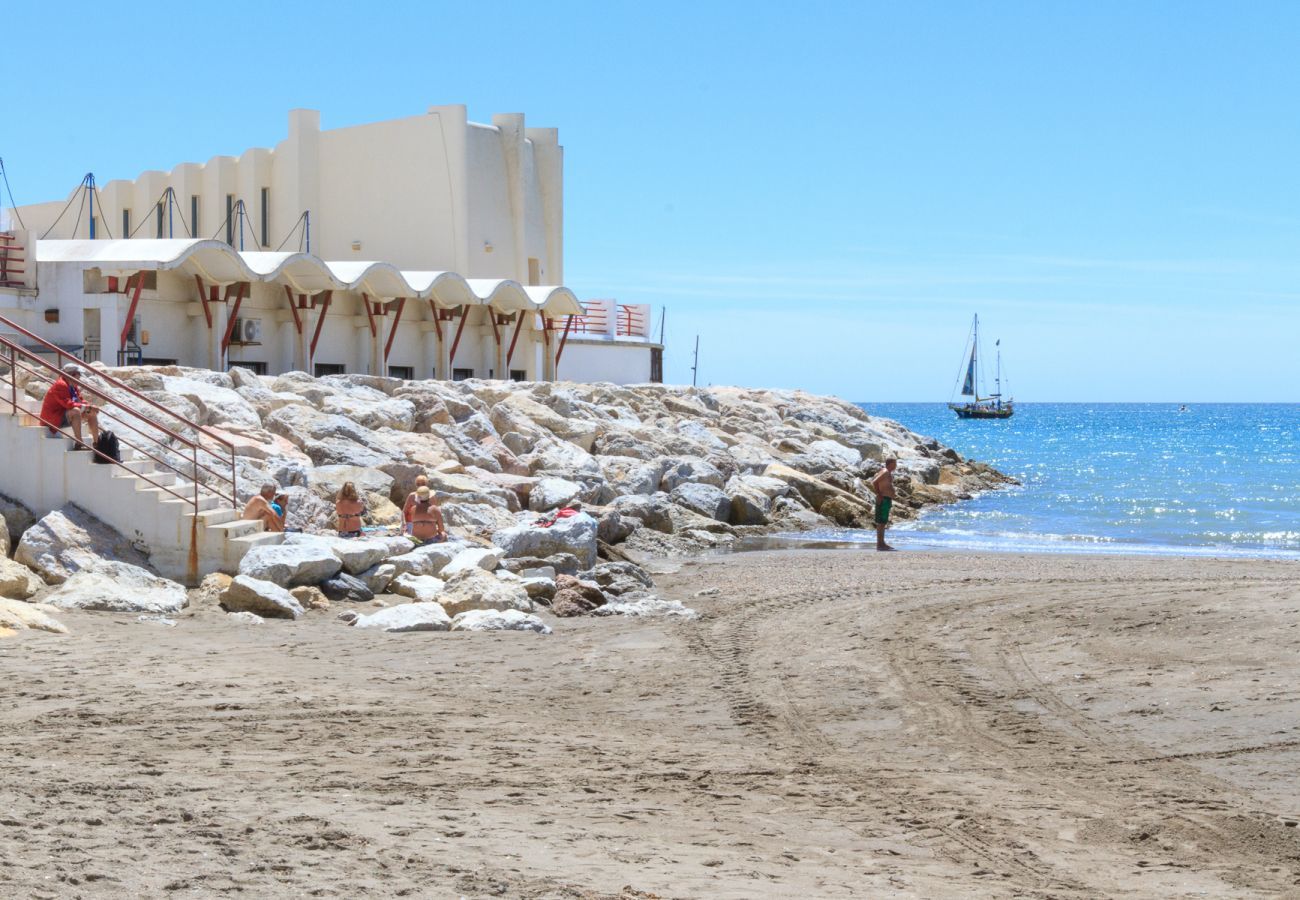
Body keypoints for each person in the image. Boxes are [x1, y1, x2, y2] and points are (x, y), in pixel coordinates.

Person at [39, 363, 100, 449]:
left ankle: (97, 443)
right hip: (53, 419)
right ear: (72, 375)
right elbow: (68, 404)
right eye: (78, 376)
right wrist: (87, 407)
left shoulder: (72, 386)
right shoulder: (61, 385)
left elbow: (80, 400)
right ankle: (79, 443)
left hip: (63, 415)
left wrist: (90, 407)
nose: (79, 378)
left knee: (91, 413)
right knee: (76, 411)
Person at [870, 457, 898, 551]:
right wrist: (879, 494)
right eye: (895, 464)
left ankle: (882, 543)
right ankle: (880, 544)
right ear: (890, 464)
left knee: (883, 522)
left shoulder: (886, 472)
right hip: (883, 499)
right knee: (881, 522)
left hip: (886, 499)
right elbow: (874, 482)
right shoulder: (885, 471)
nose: (896, 466)